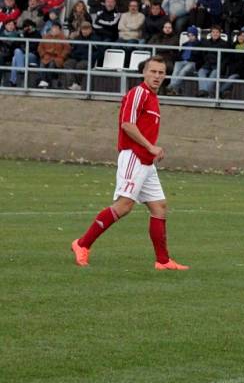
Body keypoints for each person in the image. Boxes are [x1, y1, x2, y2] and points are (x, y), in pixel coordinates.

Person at [71, 56, 189, 270]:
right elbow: (127, 124)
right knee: (124, 206)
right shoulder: (138, 93)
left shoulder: (153, 98)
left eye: (161, 73)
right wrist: (151, 147)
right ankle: (82, 244)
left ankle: (162, 261)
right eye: (153, 71)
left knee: (159, 207)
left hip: (146, 160)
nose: (157, 76)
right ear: (144, 72)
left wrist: (150, 151)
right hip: (134, 156)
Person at [36, 23, 70, 89]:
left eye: (56, 28)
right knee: (42, 64)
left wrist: (62, 56)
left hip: (57, 57)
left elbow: (67, 48)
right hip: (46, 56)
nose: (54, 29)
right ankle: (43, 80)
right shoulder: (46, 36)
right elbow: (40, 47)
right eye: (53, 28)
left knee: (52, 64)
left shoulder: (63, 37)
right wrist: (43, 55)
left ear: (59, 30)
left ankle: (48, 82)